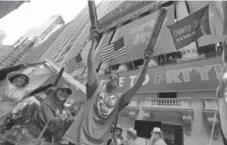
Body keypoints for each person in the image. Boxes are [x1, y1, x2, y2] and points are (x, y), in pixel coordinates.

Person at [63, 29, 154, 145]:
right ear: (106, 81)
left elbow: (137, 85)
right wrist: (94, 43)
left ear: (118, 84)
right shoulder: (95, 89)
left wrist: (145, 64)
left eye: (116, 79)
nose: (113, 78)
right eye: (111, 77)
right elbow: (91, 63)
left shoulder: (119, 100)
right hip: (77, 140)